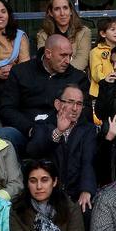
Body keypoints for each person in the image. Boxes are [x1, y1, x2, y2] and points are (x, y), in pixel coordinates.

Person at [0, 34, 89, 139]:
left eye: (70, 56)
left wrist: (58, 129)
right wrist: (30, 129)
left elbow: (85, 111)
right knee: (3, 134)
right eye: (63, 55)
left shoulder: (78, 78)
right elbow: (7, 108)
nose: (67, 61)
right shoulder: (20, 72)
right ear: (48, 53)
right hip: (25, 131)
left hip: (62, 133)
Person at [24, 84, 96, 213]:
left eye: (79, 104)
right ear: (58, 104)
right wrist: (58, 132)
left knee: (87, 208)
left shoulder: (88, 129)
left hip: (75, 193)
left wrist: (86, 189)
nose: (75, 108)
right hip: (47, 192)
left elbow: (88, 162)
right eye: (70, 102)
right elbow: (33, 151)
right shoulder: (43, 124)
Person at [9, 159, 87, 231]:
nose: (39, 186)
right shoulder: (17, 210)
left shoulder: (71, 207)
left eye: (44, 180)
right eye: (33, 181)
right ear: (27, 183)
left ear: (54, 182)